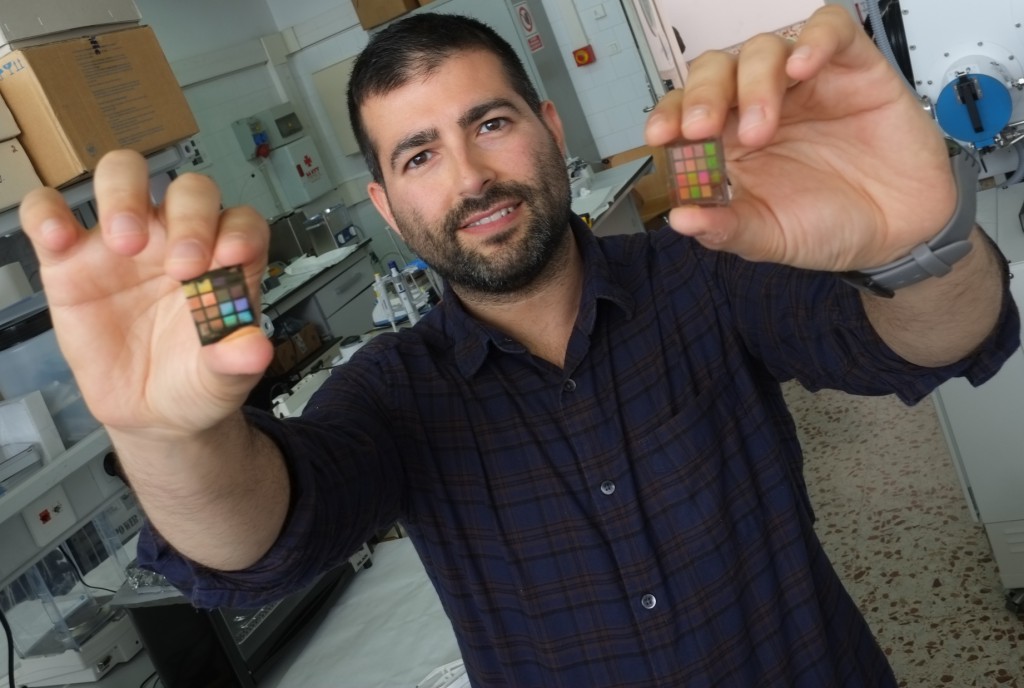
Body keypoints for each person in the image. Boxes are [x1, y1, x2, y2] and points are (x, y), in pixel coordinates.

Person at [17, 5, 1020, 687]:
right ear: (385, 205)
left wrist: (918, 241)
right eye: (419, 154)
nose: (469, 177)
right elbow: (264, 544)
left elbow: (925, 342)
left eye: (489, 123)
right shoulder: (390, 394)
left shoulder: (700, 276)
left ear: (548, 128)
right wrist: (162, 437)